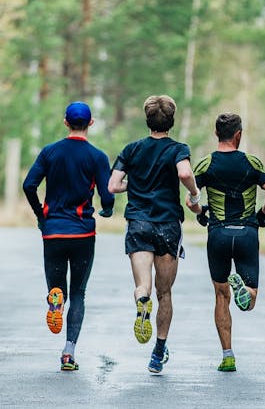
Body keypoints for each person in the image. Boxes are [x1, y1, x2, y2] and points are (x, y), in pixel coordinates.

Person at [108, 95, 201, 374]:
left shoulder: (132, 149)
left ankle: (141, 303)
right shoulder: (178, 148)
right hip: (168, 225)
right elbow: (184, 173)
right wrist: (194, 193)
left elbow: (113, 185)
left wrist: (133, 185)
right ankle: (158, 353)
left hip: (138, 223)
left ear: (147, 120)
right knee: (165, 292)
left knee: (143, 286)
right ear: (171, 121)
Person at [22, 101, 115, 372]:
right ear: (91, 123)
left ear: (65, 122)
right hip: (83, 233)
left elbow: (29, 185)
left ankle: (54, 300)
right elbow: (107, 195)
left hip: (53, 233)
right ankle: (68, 352)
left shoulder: (50, 152)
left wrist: (41, 215)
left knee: (58, 288)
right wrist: (107, 209)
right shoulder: (97, 156)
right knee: (79, 293)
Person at [186, 112, 265, 373]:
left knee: (220, 294)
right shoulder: (252, 162)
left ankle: (227, 355)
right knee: (249, 300)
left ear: (217, 134)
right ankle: (244, 289)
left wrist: (201, 212)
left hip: (218, 234)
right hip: (247, 233)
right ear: (238, 135)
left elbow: (190, 201)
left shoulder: (205, 164)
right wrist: (263, 214)